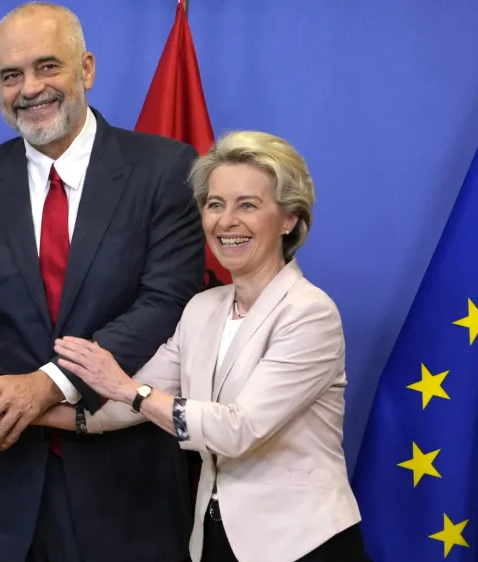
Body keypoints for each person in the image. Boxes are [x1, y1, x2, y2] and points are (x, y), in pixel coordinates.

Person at [0, 3, 207, 561]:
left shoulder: (165, 169)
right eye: (11, 75)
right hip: (1, 485)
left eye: (46, 67)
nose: (29, 88)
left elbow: (166, 303)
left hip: (128, 486)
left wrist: (47, 385)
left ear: (86, 70)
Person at [43, 131, 369, 562]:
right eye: (215, 204)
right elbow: (124, 406)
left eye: (247, 205)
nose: (226, 221)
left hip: (302, 543)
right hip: (213, 540)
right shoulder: (202, 307)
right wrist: (27, 411)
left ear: (289, 218)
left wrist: (127, 389)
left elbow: (237, 430)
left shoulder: (310, 313)